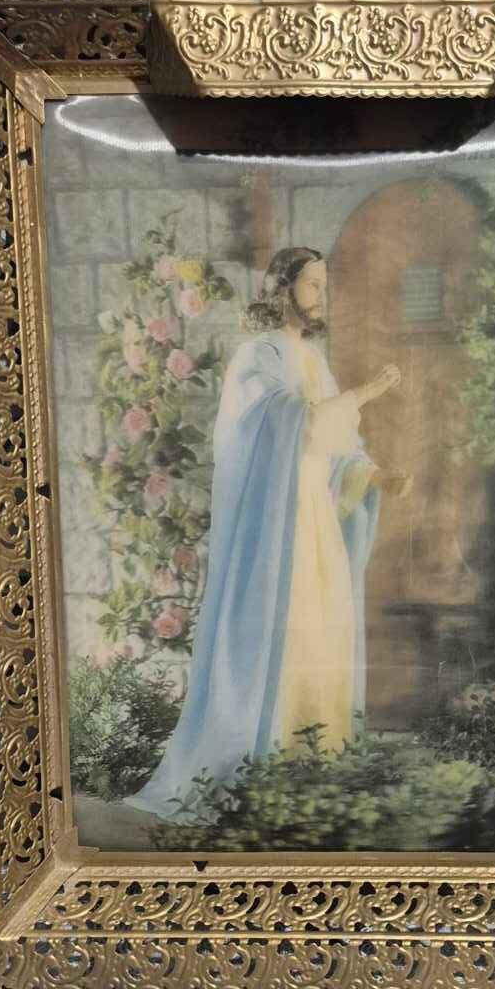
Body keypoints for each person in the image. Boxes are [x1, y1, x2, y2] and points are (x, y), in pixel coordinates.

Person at [130, 246, 409, 819]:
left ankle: (311, 769)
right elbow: (290, 423)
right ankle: (265, 771)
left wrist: (377, 475)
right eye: (312, 284)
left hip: (315, 522)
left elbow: (337, 446)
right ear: (283, 288)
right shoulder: (259, 355)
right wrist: (367, 393)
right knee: (285, 634)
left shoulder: (312, 358)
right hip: (278, 525)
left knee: (320, 635)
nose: (321, 294)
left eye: (324, 284)